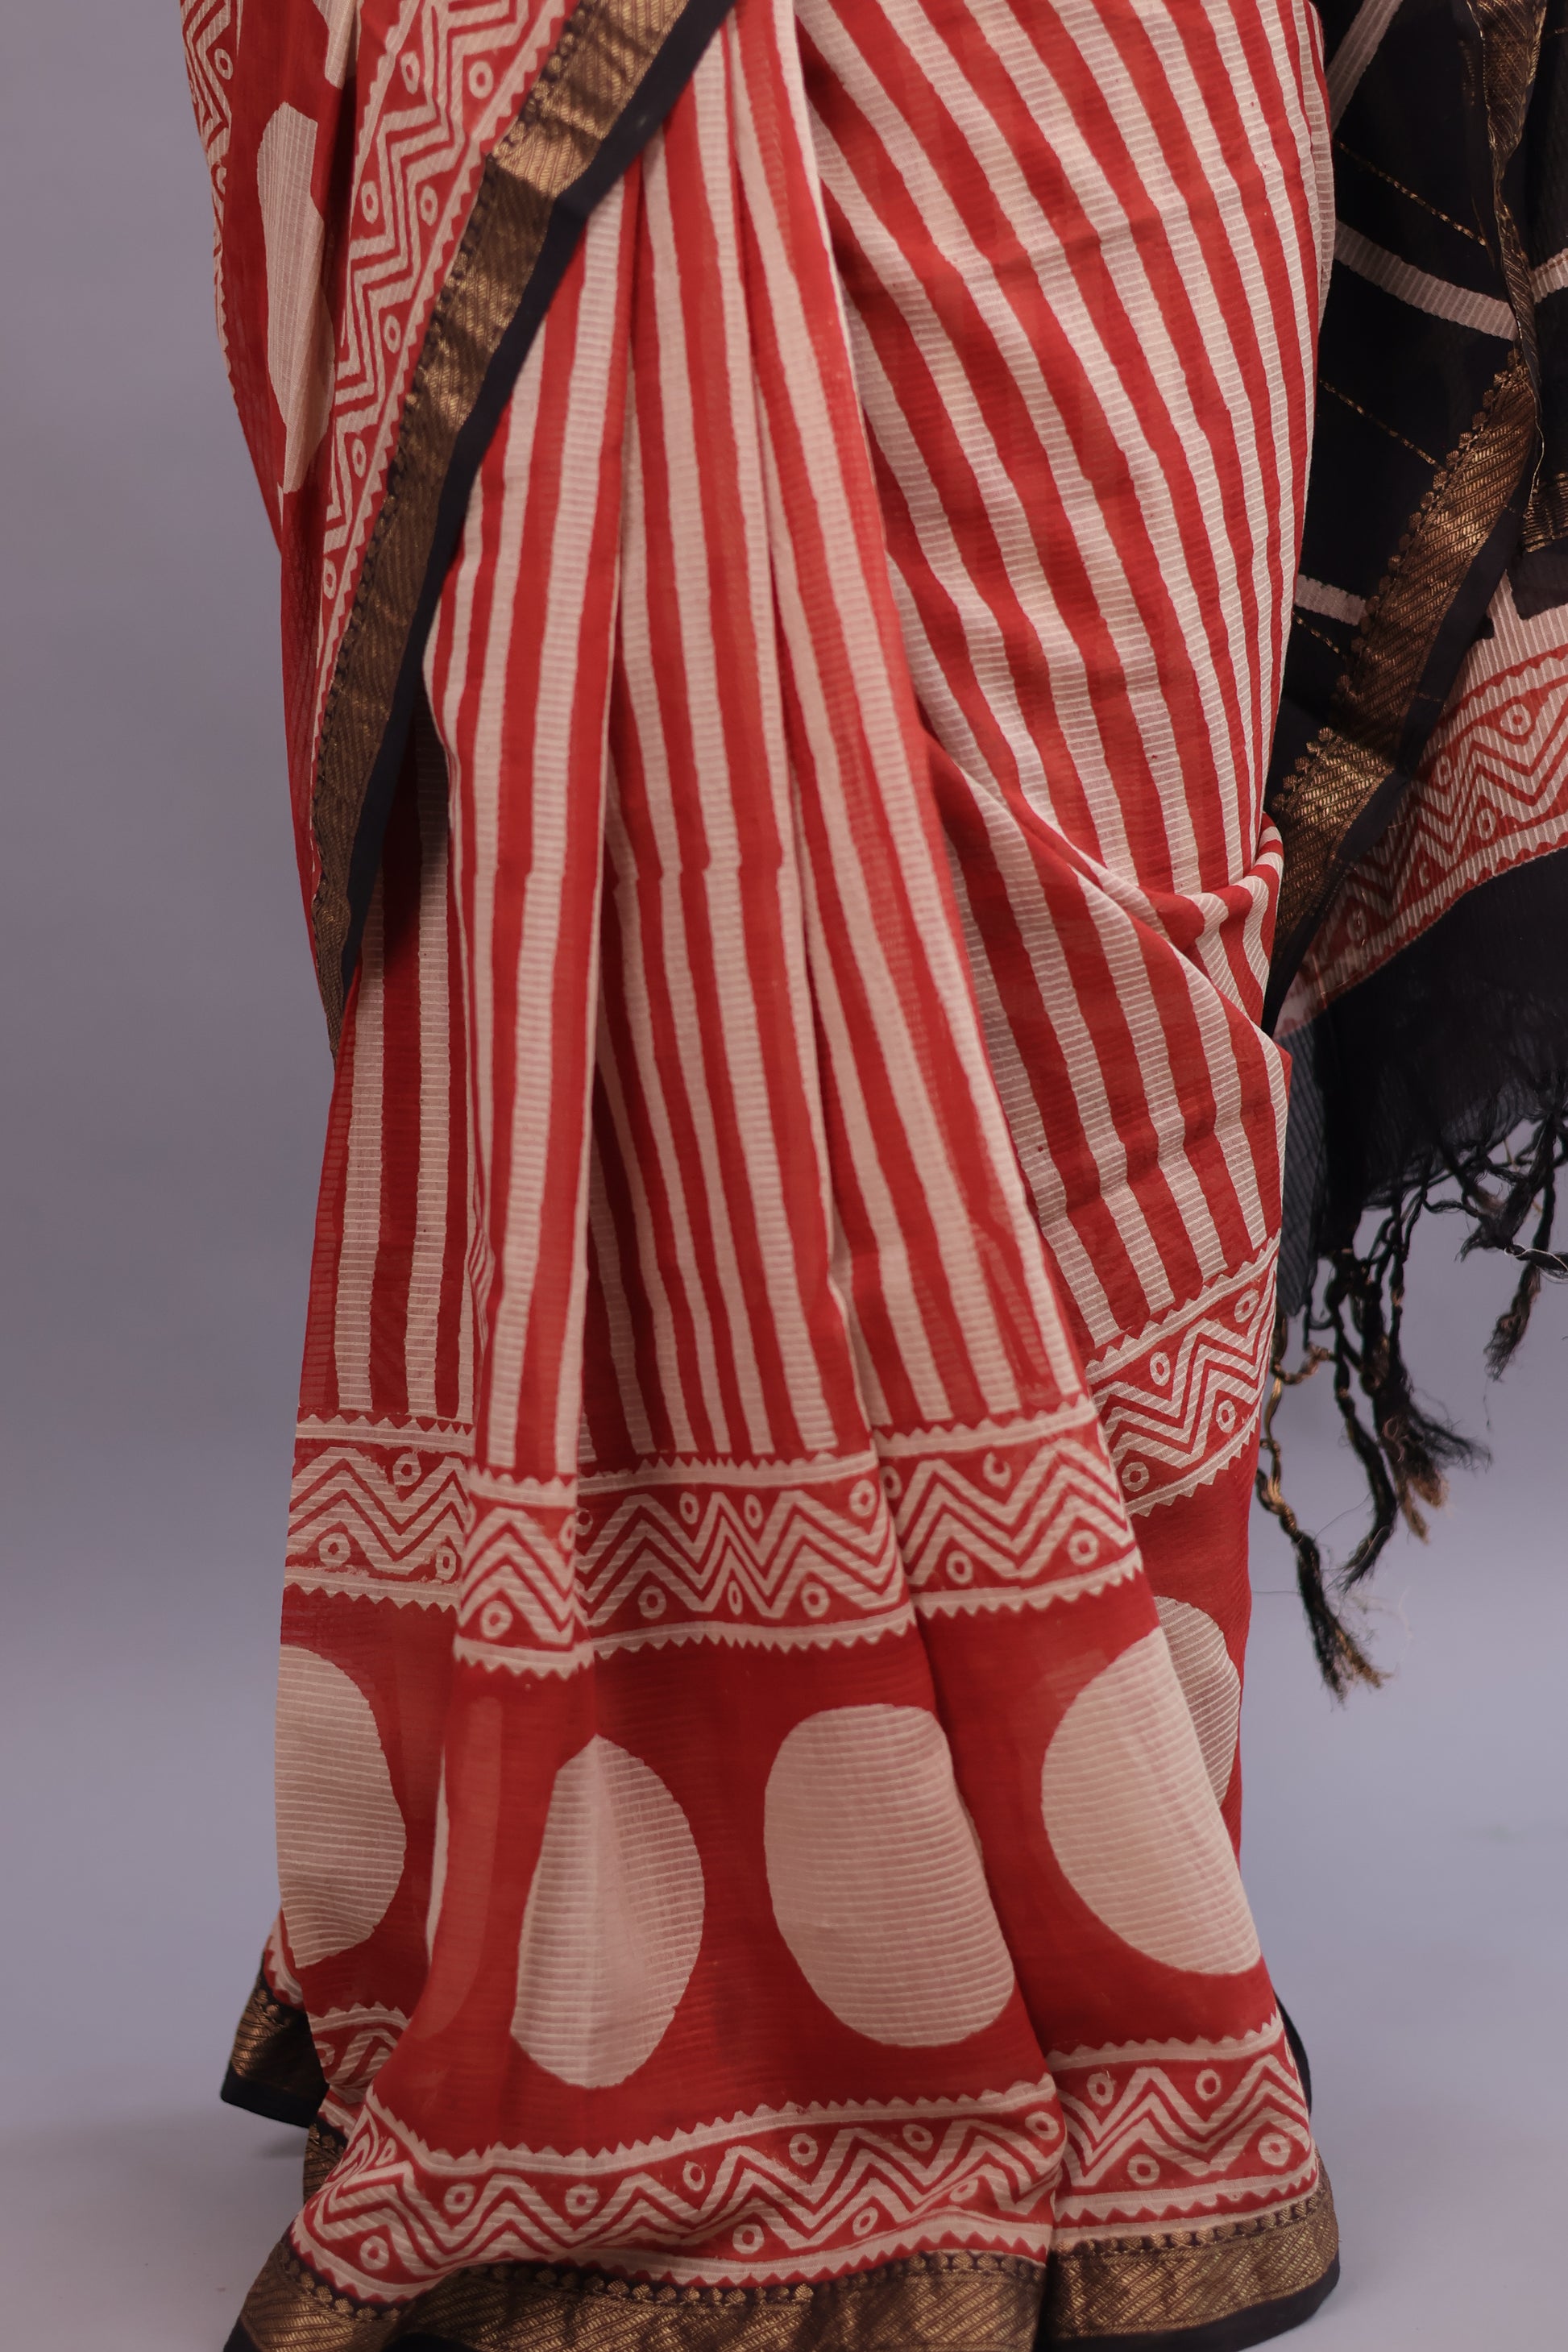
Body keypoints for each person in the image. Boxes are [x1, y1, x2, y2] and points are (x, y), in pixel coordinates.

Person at [184, 0, 1565, 2343]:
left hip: (1118, 93)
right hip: (634, 78)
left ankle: (1107, 1913)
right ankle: (670, 1971)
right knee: (637, 880)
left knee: (1104, 989)